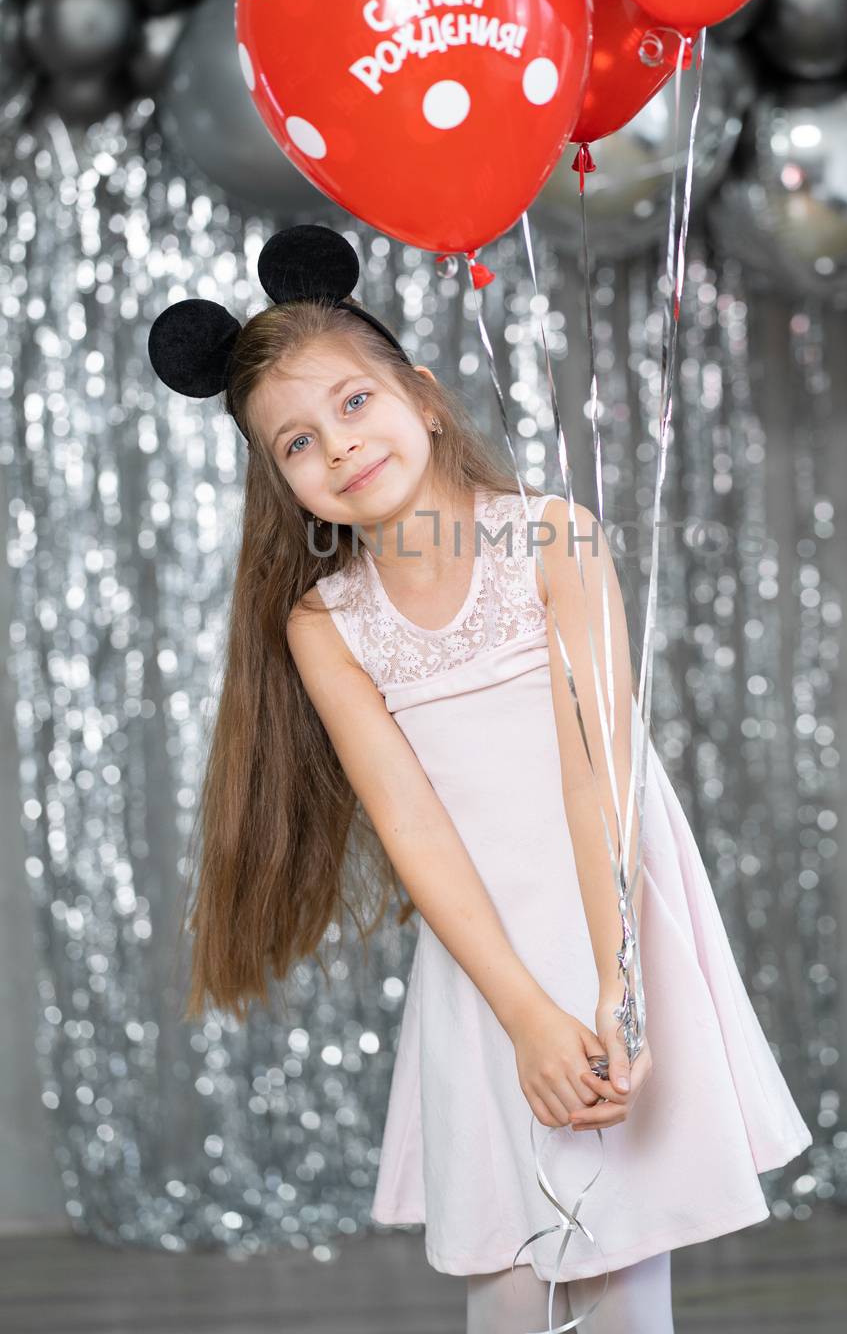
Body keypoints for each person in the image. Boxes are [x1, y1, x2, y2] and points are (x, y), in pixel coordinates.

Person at [149, 223, 813, 1334]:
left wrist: (616, 991)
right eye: (298, 442)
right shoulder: (327, 621)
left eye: (355, 403)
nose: (341, 446)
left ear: (423, 396)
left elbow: (597, 771)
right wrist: (524, 1015)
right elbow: (412, 826)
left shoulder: (552, 538)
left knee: (620, 1258)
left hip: (606, 922)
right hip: (485, 957)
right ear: (285, 484)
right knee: (509, 1276)